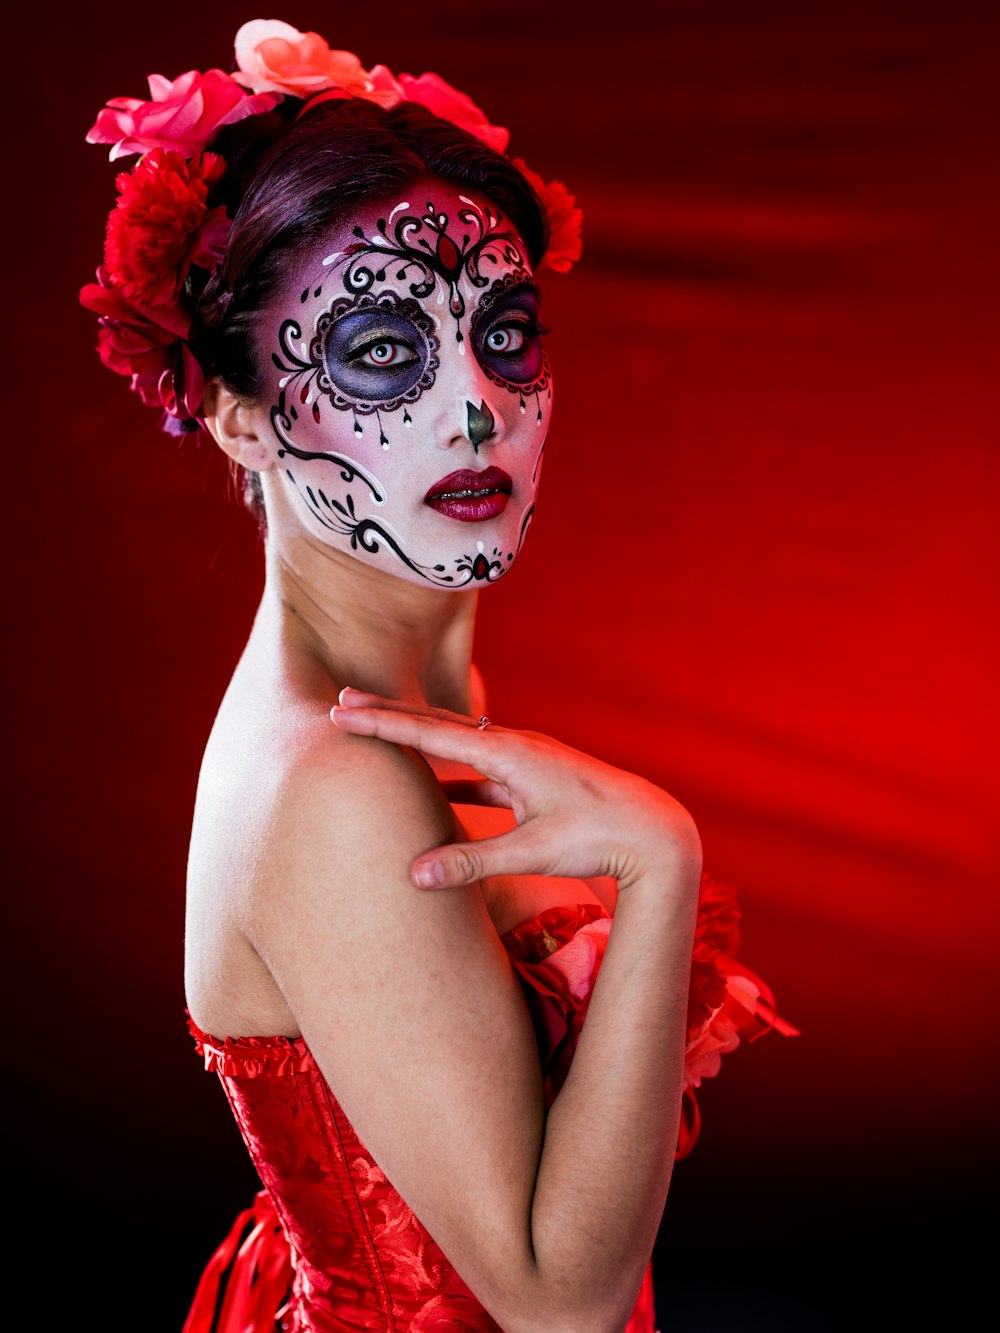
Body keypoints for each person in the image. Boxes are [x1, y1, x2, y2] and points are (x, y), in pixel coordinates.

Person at [81, 20, 795, 1332]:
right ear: (243, 416)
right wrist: (661, 862)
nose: (474, 409)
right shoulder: (335, 778)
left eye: (506, 332)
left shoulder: (398, 705)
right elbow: (558, 1305)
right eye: (380, 351)